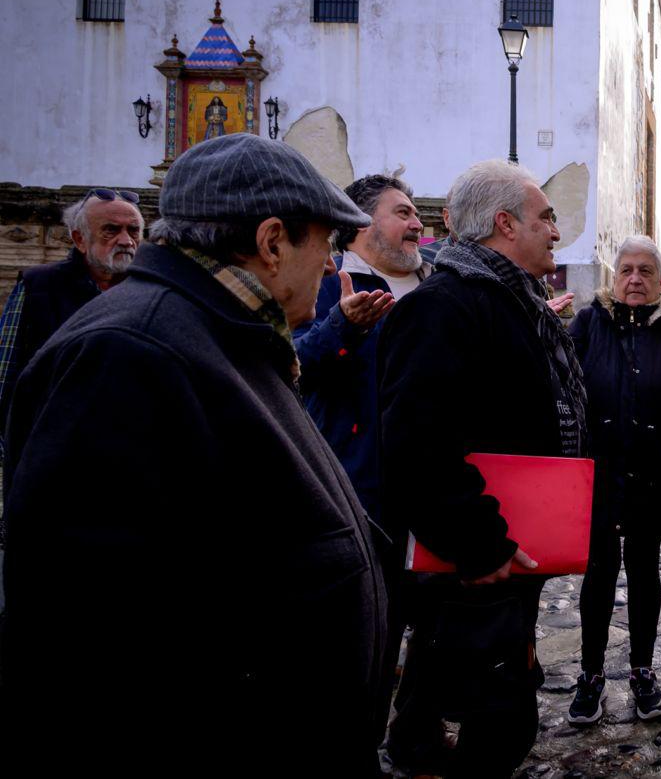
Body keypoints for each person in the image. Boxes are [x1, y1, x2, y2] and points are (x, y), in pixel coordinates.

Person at [0, 133, 388, 775]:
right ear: (271, 242)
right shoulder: (128, 354)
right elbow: (85, 653)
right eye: (326, 243)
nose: (329, 266)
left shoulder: (217, 333)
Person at [378, 159, 584, 778]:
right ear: (504, 224)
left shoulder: (517, 301)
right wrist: (481, 544)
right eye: (545, 218)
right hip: (480, 553)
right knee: (501, 721)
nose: (555, 230)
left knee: (448, 675)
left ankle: (415, 744)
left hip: (510, 544)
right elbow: (417, 441)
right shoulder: (445, 307)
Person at [567, 235, 661, 725]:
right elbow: (566, 388)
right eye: (626, 269)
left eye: (645, 271)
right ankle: (589, 675)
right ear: (614, 276)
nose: (634, 278)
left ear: (660, 281)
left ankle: (642, 670)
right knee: (598, 574)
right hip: (600, 477)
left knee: (645, 573)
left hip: (652, 476)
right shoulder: (588, 323)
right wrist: (580, 455)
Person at [294, 173, 429, 521]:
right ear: (362, 221)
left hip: (433, 487)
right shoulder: (325, 280)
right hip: (356, 486)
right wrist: (344, 326)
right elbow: (292, 368)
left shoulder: (438, 286)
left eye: (416, 214)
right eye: (403, 214)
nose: (417, 224)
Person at [0, 188, 143, 445]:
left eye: (133, 231)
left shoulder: (150, 291)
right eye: (111, 230)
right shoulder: (38, 286)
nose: (126, 241)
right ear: (79, 239)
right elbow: (4, 372)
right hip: (51, 445)